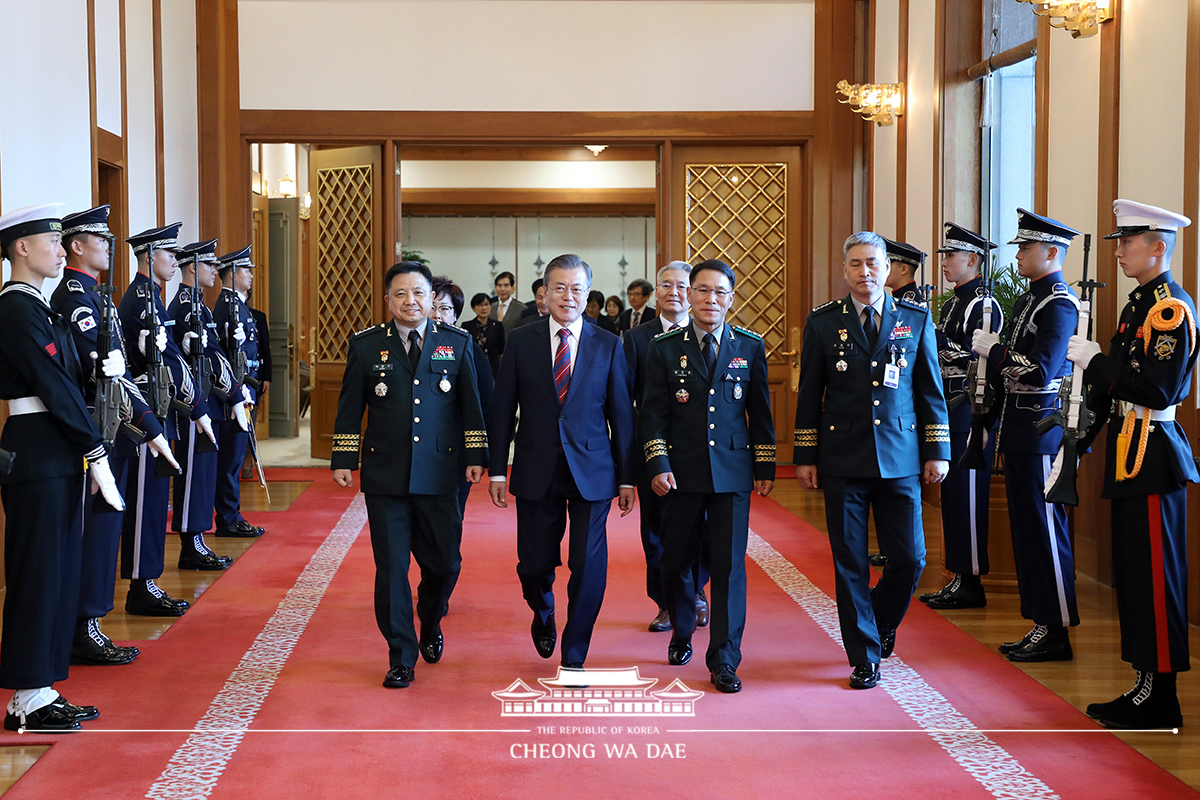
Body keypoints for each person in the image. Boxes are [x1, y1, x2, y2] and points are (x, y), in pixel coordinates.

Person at [793, 231, 950, 690]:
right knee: (850, 563)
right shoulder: (824, 322)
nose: (866, 272)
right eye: (857, 264)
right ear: (845, 271)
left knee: (911, 559)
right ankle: (864, 655)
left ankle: (879, 621)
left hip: (901, 459)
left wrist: (936, 449)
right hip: (843, 459)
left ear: (887, 268)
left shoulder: (916, 319)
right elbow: (809, 396)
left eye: (873, 263)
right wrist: (806, 454)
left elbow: (930, 392)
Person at [1068, 200, 1197, 729]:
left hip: (1153, 453)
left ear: (1158, 247)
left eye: (1127, 242)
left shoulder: (1169, 310)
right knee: (1134, 575)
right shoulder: (1136, 307)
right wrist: (1078, 439)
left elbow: (1160, 388)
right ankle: (1144, 684)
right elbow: (1119, 384)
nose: (1119, 250)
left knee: (1154, 574)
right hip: (1128, 449)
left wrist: (1095, 362)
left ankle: (1161, 693)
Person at [332, 261, 487, 689]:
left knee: (445, 565)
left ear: (431, 298)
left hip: (441, 474)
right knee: (392, 567)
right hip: (386, 476)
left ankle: (431, 619)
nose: (410, 301)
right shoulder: (366, 346)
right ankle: (401, 654)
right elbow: (349, 408)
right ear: (388, 300)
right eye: (400, 294)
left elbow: (471, 405)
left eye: (418, 293)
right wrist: (344, 458)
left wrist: (477, 453)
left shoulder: (455, 343)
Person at [0, 203, 125, 732]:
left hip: (55, 449)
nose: (59, 248)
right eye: (50, 241)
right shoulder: (15, 308)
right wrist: (96, 451)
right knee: (39, 575)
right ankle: (26, 697)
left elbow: (71, 379)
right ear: (21, 249)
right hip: (37, 449)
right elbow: (53, 388)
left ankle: (41, 689)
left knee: (57, 573)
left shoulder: (39, 306)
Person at [488, 253, 636, 671]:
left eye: (577, 288)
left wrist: (627, 478)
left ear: (587, 293)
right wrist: (498, 468)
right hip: (536, 468)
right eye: (559, 288)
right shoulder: (521, 340)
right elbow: (503, 411)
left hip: (593, 471)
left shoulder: (608, 342)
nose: (568, 296)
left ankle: (575, 652)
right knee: (534, 564)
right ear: (544, 293)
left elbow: (621, 414)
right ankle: (543, 610)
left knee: (587, 566)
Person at [640, 259, 775, 694]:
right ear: (688, 295)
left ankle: (724, 658)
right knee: (677, 560)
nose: (710, 299)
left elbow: (761, 416)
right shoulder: (663, 347)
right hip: (680, 475)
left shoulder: (750, 347)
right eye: (702, 290)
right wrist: (658, 464)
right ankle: (682, 631)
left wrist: (765, 467)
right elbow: (653, 416)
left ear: (731, 298)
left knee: (730, 568)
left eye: (719, 292)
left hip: (733, 476)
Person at [51, 205, 177, 664]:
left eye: (108, 239)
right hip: (96, 429)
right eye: (99, 240)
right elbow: (102, 376)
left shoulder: (96, 294)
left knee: (105, 529)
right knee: (95, 531)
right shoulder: (76, 297)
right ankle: (85, 625)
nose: (108, 246)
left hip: (113, 427)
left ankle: (91, 622)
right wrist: (149, 424)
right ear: (76, 246)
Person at [970, 208, 1081, 663]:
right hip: (1016, 430)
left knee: (1043, 530)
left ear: (1051, 252)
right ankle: (1039, 623)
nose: (1018, 254)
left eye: (1026, 247)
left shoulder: (1058, 303)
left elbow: (1039, 372)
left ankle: (1055, 628)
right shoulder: (1028, 299)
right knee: (1026, 531)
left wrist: (995, 351)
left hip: (1039, 431)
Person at [118, 222, 214, 617]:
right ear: (148, 256)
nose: (175, 261)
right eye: (168, 254)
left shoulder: (152, 297)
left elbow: (172, 356)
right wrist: (195, 406)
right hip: (146, 413)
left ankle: (148, 581)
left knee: (156, 501)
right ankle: (141, 586)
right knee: (146, 503)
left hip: (162, 409)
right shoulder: (140, 300)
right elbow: (162, 363)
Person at [623, 261, 710, 633]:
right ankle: (664, 601)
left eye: (681, 285)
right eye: (665, 285)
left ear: (691, 292)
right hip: (653, 450)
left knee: (701, 527)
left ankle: (697, 592)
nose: (673, 292)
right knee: (655, 530)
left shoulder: (706, 334)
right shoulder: (636, 338)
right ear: (655, 292)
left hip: (698, 454)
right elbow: (627, 400)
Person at [919, 224, 1000, 610]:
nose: (945, 263)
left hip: (970, 405)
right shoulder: (953, 302)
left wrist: (934, 342)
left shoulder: (983, 304)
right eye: (945, 256)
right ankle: (957, 574)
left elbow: (977, 358)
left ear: (972, 259)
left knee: (967, 493)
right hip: (948, 404)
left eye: (951, 256)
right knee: (952, 494)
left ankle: (970, 580)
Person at [169, 240, 241, 571]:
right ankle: (191, 544)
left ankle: (198, 540)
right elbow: (203, 360)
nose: (216, 270)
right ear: (194, 268)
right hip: (192, 405)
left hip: (206, 403)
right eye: (210, 265)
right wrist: (234, 394)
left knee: (205, 472)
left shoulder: (200, 305)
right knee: (195, 474)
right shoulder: (186, 307)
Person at [430, 276, 495, 516]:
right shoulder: (409, 348)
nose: (437, 315)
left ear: (456, 315)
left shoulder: (469, 348)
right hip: (415, 453)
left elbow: (486, 406)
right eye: (432, 307)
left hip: (454, 451)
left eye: (445, 309)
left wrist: (478, 454)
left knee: (449, 518)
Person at [212, 247, 264, 539]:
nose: (251, 275)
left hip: (245, 388)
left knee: (235, 456)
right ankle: (228, 518)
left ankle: (232, 514)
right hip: (235, 393)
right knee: (231, 459)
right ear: (232, 274)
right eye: (246, 271)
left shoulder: (239, 305)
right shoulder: (226, 306)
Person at [463, 292, 505, 378]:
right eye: (480, 305)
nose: (484, 308)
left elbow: (501, 350)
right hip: (473, 365)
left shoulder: (497, 326)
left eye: (486, 304)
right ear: (474, 308)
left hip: (492, 367)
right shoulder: (467, 326)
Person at [883, 238, 926, 306]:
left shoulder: (910, 304)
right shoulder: (900, 298)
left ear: (904, 269)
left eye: (888, 264)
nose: (883, 269)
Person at [490, 271, 525, 336]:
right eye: (499, 286)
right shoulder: (490, 307)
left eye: (506, 285)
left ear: (512, 288)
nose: (502, 289)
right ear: (495, 288)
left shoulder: (522, 308)